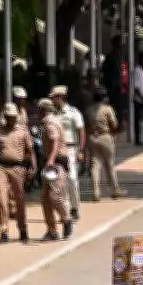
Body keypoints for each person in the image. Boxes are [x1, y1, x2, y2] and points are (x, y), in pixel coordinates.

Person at [0, 103, 36, 244]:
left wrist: (33, 166)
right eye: (9, 116)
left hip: (18, 168)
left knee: (19, 199)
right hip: (1, 167)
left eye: (13, 116)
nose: (11, 119)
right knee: (2, 199)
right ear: (5, 116)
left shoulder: (23, 131)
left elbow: (30, 151)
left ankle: (23, 230)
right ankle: (4, 231)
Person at [37, 98, 72, 240]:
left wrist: (51, 159)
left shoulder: (50, 123)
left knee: (54, 195)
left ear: (42, 110)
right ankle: (51, 231)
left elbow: (55, 142)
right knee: (45, 198)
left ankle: (66, 218)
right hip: (51, 163)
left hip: (55, 164)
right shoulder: (50, 121)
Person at [50, 85, 86, 222]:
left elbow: (81, 132)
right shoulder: (53, 114)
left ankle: (75, 208)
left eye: (54, 97)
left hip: (71, 149)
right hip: (57, 150)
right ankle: (65, 211)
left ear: (60, 97)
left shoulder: (73, 112)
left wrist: (81, 150)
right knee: (60, 182)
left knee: (72, 179)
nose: (53, 100)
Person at [88, 87, 125, 200]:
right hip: (105, 136)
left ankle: (95, 193)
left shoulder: (89, 109)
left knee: (95, 166)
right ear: (104, 97)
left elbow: (86, 124)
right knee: (110, 165)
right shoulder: (107, 109)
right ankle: (115, 189)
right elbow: (114, 124)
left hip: (93, 137)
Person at [102, 35, 125, 129]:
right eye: (119, 43)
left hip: (119, 84)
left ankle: (118, 123)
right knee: (115, 106)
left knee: (119, 105)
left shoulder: (120, 55)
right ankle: (115, 124)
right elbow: (105, 70)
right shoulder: (111, 56)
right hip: (113, 85)